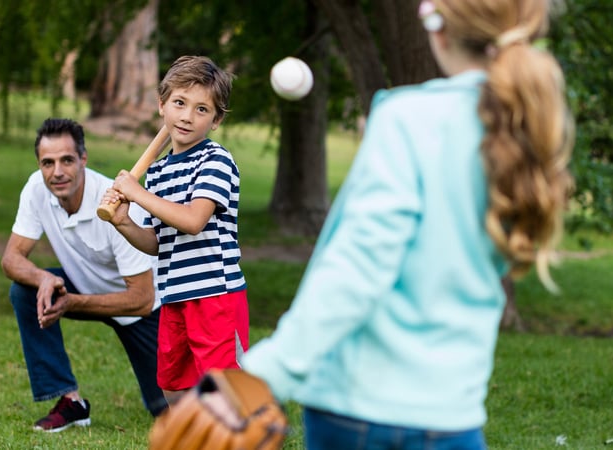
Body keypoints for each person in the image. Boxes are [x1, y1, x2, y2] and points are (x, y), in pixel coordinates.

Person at [240, 0, 574, 448]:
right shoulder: (522, 128)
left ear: (437, 29)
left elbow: (360, 264)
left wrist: (267, 374)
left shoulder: (407, 119)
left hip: (359, 413)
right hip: (455, 417)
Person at [1, 118, 166, 432]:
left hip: (144, 308)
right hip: (83, 286)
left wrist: (72, 302)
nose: (57, 172)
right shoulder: (37, 188)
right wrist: (43, 279)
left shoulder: (115, 203)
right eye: (47, 163)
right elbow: (11, 258)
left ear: (83, 160)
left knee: (166, 409)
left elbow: (142, 299)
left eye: (67, 160)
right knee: (24, 291)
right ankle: (70, 401)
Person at [101, 55, 248, 404]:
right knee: (174, 387)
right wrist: (124, 221)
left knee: (223, 392)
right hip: (175, 296)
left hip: (215, 295)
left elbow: (194, 220)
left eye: (202, 109)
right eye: (179, 103)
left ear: (216, 119)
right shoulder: (160, 171)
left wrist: (138, 194)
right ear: (162, 104)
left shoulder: (216, 161)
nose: (186, 116)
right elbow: (158, 242)